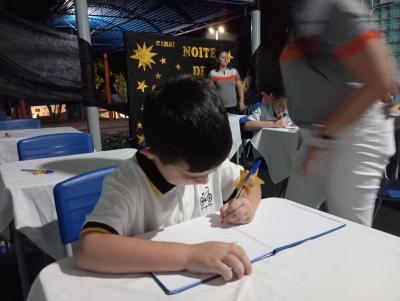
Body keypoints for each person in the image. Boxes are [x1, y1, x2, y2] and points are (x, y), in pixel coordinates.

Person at [76, 75, 262, 281]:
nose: (206, 182)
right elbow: (89, 249)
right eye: (193, 176)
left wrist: (248, 203)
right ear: (151, 153)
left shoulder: (204, 162)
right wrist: (189, 256)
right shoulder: (128, 183)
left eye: (212, 171)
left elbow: (251, 179)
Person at [270, 0, 397, 226]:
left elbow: (380, 79)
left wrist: (322, 138)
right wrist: (310, 130)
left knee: (350, 231)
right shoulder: (301, 14)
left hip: (354, 134)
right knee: (292, 219)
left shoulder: (335, 7)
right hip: (320, 134)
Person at [209, 50, 245, 114]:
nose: (225, 59)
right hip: (219, 106)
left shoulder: (234, 71)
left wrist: (241, 101)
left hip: (233, 106)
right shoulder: (212, 73)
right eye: (223, 57)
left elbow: (240, 88)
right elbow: (211, 91)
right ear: (217, 60)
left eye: (227, 57)